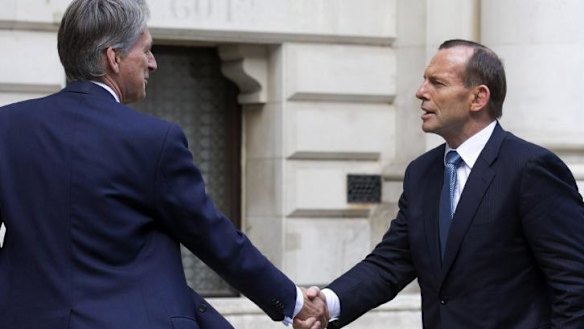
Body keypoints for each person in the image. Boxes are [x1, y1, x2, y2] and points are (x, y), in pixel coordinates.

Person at [0, 0, 328, 328]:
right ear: (113, 59)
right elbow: (212, 236)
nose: (153, 63)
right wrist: (294, 302)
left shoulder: (7, 127)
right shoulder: (154, 139)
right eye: (146, 50)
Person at [294, 39, 584, 328]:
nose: (421, 92)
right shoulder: (421, 173)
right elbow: (390, 263)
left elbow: (575, 284)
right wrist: (327, 303)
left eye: (437, 83)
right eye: (424, 81)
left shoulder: (531, 169)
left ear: (478, 98)